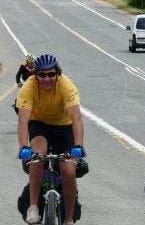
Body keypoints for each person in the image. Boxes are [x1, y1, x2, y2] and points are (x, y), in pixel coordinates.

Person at [16, 53, 85, 225]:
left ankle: (68, 219)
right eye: (42, 75)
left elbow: (76, 118)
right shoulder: (28, 87)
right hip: (39, 124)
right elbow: (23, 119)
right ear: (36, 75)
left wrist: (78, 146)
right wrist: (24, 147)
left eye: (51, 74)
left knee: (69, 172)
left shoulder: (67, 87)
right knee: (37, 157)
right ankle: (33, 206)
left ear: (58, 73)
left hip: (64, 127)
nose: (47, 79)